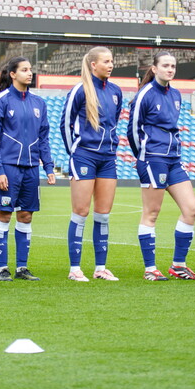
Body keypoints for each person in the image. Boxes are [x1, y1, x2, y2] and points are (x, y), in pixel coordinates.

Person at [127, 51, 195, 281]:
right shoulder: (145, 94)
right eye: (166, 65)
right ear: (155, 68)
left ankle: (178, 265)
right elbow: (133, 130)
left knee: (191, 209)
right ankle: (150, 269)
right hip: (153, 158)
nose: (170, 69)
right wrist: (142, 157)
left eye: (173, 66)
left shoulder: (176, 95)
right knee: (152, 213)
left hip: (173, 159)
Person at [0, 57, 55, 281]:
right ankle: (2, 268)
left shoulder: (39, 103)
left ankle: (22, 268)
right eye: (24, 70)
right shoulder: (2, 100)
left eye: (31, 69)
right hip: (8, 167)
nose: (30, 73)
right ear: (13, 74)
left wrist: (49, 167)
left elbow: (44, 138)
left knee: (26, 215)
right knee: (4, 215)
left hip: (31, 169)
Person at [60, 46, 122, 282]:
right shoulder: (80, 90)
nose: (111, 64)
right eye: (106, 61)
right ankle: (75, 269)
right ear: (93, 65)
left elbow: (114, 122)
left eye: (112, 60)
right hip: (84, 156)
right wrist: (74, 152)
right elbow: (65, 124)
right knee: (81, 211)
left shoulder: (115, 91)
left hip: (108, 158)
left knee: (103, 214)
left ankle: (100, 268)